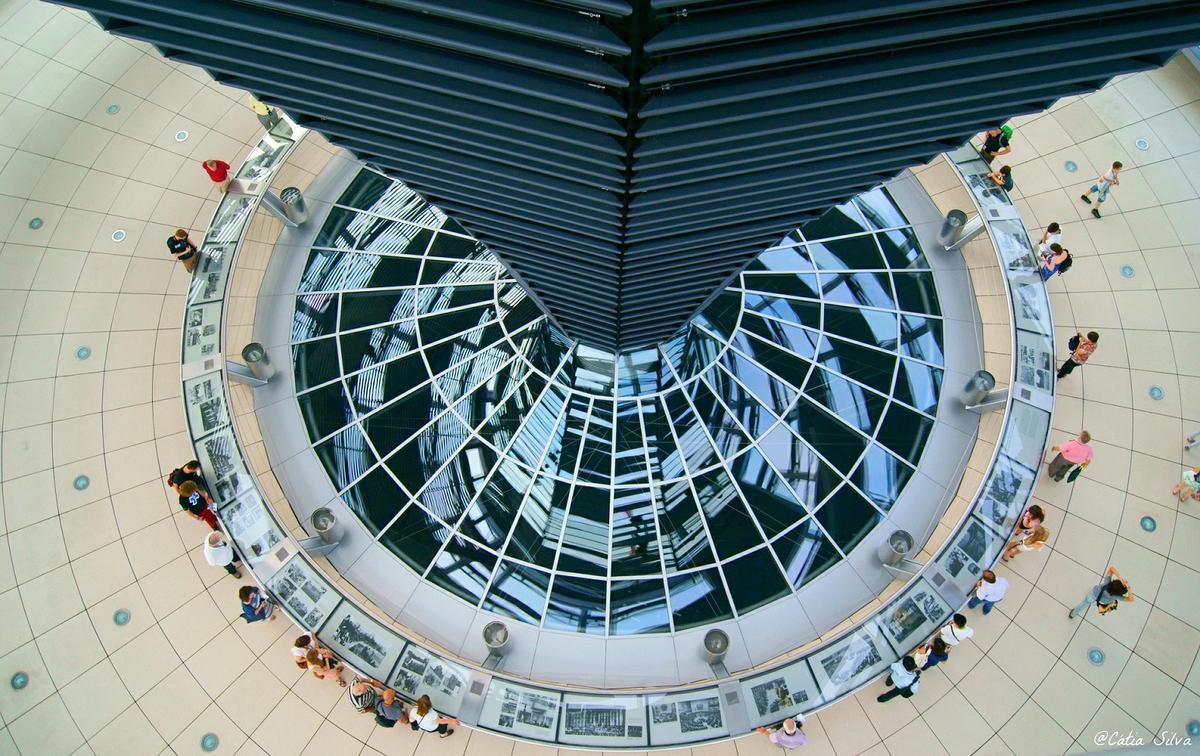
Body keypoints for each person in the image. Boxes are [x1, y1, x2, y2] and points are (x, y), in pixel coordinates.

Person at [1069, 566, 1133, 619]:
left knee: (1084, 603)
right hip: (1102, 600)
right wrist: (1128, 588)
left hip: (1093, 594)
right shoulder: (1116, 596)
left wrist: (1121, 579)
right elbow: (1130, 599)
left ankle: (1073, 614)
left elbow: (1111, 569)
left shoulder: (1107, 582)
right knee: (1112, 603)